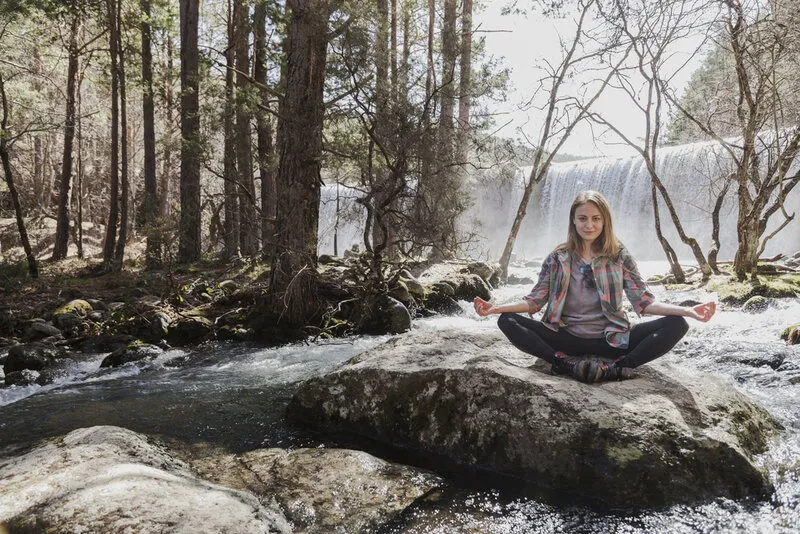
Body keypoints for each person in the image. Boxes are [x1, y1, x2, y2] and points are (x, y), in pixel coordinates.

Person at [474, 190, 716, 383]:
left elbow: (644, 302)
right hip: (564, 338)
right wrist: (496, 309)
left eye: (595, 219)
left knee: (677, 324)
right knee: (506, 321)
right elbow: (535, 301)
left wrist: (688, 310)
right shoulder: (557, 257)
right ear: (573, 221)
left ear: (605, 221)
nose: (589, 225)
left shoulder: (619, 255)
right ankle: (562, 363)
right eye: (582, 218)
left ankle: (620, 368)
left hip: (611, 340)